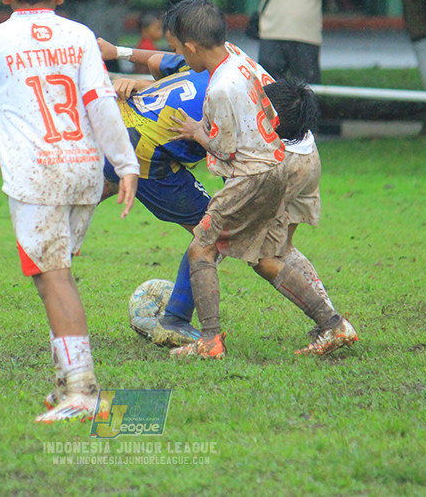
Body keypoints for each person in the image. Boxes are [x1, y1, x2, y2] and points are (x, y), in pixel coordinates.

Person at [0, 0, 139, 422]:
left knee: (53, 278)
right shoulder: (81, 35)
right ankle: (64, 381)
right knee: (57, 272)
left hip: (35, 175)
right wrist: (125, 165)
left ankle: (82, 390)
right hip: (84, 169)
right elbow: (101, 102)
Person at [97, 38, 336, 349]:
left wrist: (124, 60)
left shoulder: (221, 72)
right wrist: (127, 63)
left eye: (176, 43)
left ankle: (326, 321)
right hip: (147, 149)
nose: (175, 51)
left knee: (240, 248)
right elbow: (166, 67)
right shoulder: (228, 71)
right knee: (221, 241)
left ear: (191, 45)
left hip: (129, 132)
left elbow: (221, 143)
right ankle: (181, 322)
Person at [160, 0, 355, 360]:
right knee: (268, 258)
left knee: (202, 246)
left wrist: (195, 132)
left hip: (255, 176)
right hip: (286, 162)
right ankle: (333, 324)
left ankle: (210, 341)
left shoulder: (219, 90)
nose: (181, 58)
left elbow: (224, 149)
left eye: (177, 50)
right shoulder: (236, 55)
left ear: (191, 47)